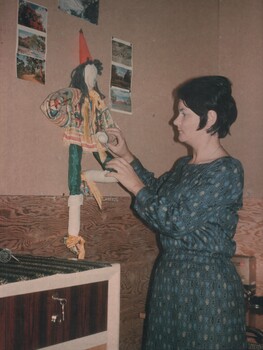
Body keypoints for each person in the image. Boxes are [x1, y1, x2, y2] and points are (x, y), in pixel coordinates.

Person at [104, 76, 247, 349]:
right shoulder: (184, 165)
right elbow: (157, 192)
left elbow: (175, 221)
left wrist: (134, 185)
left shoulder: (227, 169)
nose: (175, 121)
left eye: (183, 113)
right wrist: (127, 154)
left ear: (210, 118)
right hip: (170, 279)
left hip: (206, 285)